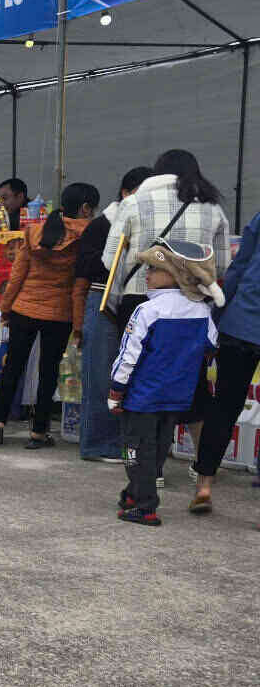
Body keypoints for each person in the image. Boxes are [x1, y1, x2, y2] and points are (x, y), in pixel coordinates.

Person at [109, 242, 221, 526]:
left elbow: (128, 356)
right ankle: (133, 494)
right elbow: (211, 345)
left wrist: (115, 390)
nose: (147, 273)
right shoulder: (201, 311)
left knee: (135, 451)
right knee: (157, 450)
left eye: (155, 268)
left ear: (176, 274)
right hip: (176, 397)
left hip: (141, 397)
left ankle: (145, 507)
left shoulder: (147, 310)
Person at [0, 185, 94, 448]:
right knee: (48, 372)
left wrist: (6, 308)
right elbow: (80, 287)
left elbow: (16, 276)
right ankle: (38, 432)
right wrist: (78, 327)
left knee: (13, 366)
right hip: (59, 314)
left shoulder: (34, 232)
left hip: (24, 309)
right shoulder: (84, 237)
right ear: (86, 208)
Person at [72, 170, 151, 462]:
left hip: (135, 301)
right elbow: (85, 269)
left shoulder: (144, 223)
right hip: (102, 300)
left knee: (128, 374)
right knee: (101, 374)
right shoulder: (101, 225)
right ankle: (97, 444)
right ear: (126, 192)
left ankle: (126, 442)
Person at [103, 149, 231, 327]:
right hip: (191, 301)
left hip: (139, 298)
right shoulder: (212, 208)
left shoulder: (132, 203)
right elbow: (221, 266)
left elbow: (110, 260)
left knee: (137, 353)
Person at [189, 206, 260, 515]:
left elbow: (238, 267)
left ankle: (204, 484)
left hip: (242, 322)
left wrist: (218, 314)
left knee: (224, 405)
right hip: (243, 321)